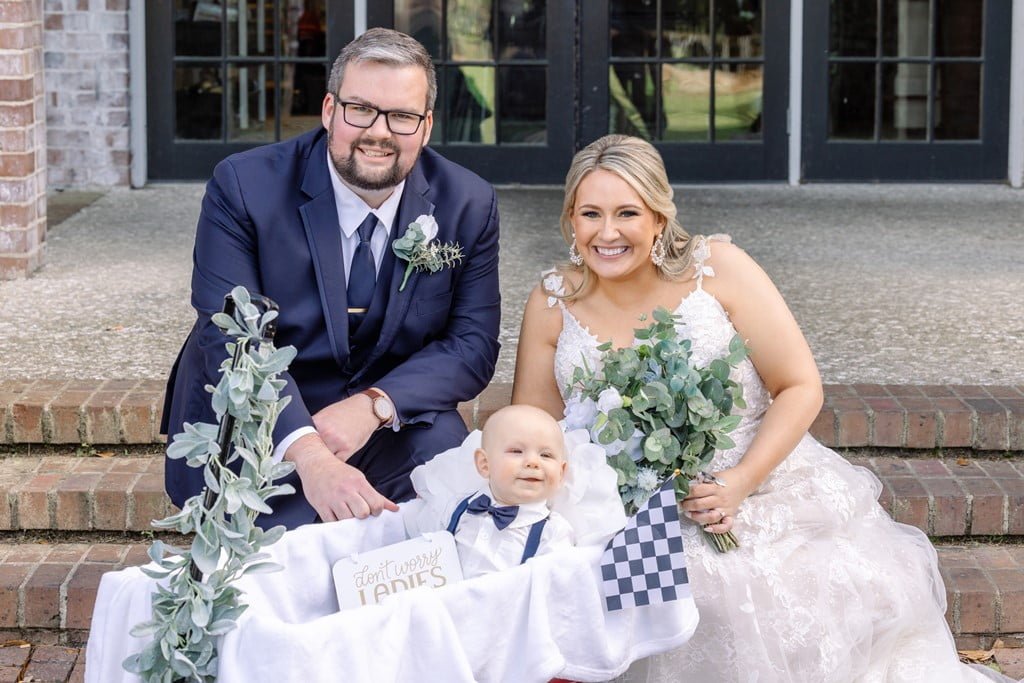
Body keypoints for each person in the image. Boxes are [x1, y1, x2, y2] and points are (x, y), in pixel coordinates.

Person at [511, 134, 1011, 682]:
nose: (607, 233)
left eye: (627, 212)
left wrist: (739, 482)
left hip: (756, 487)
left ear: (658, 217)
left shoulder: (719, 268)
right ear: (571, 220)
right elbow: (533, 428)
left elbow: (799, 385)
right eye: (590, 214)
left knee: (725, 589)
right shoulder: (553, 299)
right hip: (617, 507)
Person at [161, 28, 501, 531]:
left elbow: (470, 344)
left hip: (384, 423)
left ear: (426, 127)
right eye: (360, 109)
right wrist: (311, 455)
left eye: (402, 116)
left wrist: (373, 408)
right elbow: (231, 338)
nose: (378, 133)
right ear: (328, 110)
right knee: (283, 557)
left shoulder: (466, 202)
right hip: (259, 426)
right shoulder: (244, 186)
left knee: (447, 477)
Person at [419, 404, 575, 579]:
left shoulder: (553, 532)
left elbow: (551, 592)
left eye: (546, 455)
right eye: (517, 451)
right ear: (485, 464)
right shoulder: (456, 507)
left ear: (561, 473)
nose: (533, 462)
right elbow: (423, 552)